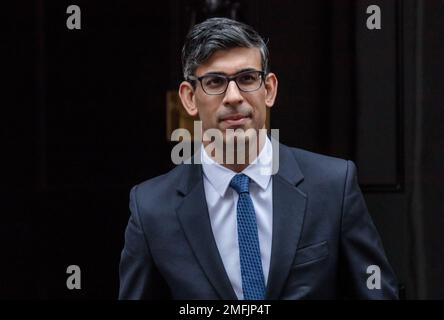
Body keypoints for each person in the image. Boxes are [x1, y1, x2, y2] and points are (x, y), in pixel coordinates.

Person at [119, 17, 398, 300]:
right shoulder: (152, 208)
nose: (233, 96)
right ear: (189, 98)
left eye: (247, 79)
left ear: (270, 89)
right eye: (215, 82)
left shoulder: (333, 186)